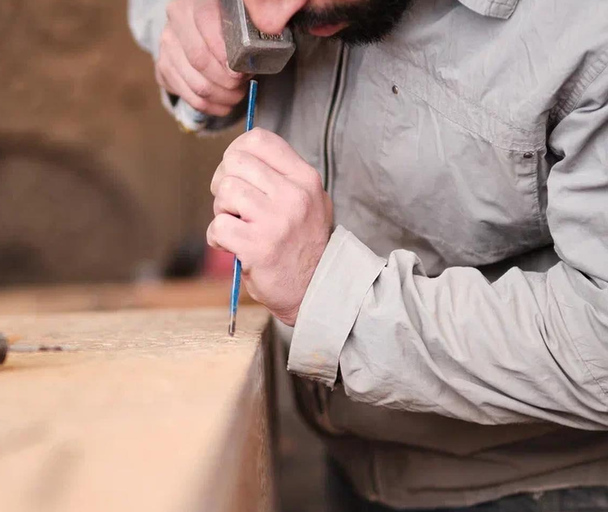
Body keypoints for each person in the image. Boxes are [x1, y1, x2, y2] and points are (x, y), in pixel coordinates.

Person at [129, 0, 608, 510]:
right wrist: (182, 23)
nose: (267, 22)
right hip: (350, 468)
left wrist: (332, 296)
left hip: (545, 488)